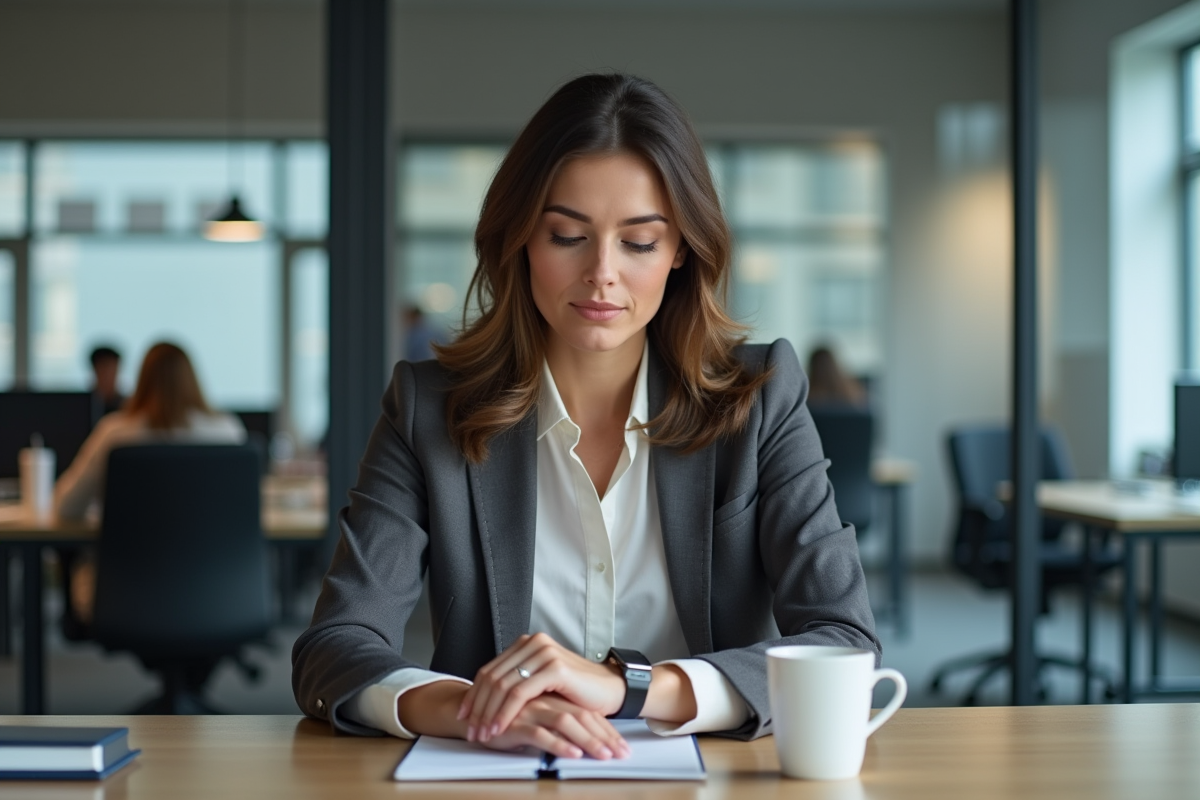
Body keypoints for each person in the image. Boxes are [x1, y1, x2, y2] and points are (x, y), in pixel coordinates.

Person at [292, 73, 878, 760]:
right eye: (568, 235)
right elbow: (331, 650)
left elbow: (845, 643)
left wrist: (625, 687)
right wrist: (470, 709)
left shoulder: (761, 398)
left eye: (638, 242)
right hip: (497, 772)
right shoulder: (429, 407)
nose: (602, 273)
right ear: (520, 240)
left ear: (681, 250)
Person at [54, 342, 246, 628]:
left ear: (142, 380)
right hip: (217, 593)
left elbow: (66, 507)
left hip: (121, 594)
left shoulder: (114, 433)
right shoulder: (227, 433)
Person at [89, 345, 125, 416]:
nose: (107, 375)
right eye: (103, 369)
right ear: (95, 370)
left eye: (111, 369)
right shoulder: (85, 403)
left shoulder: (127, 405)